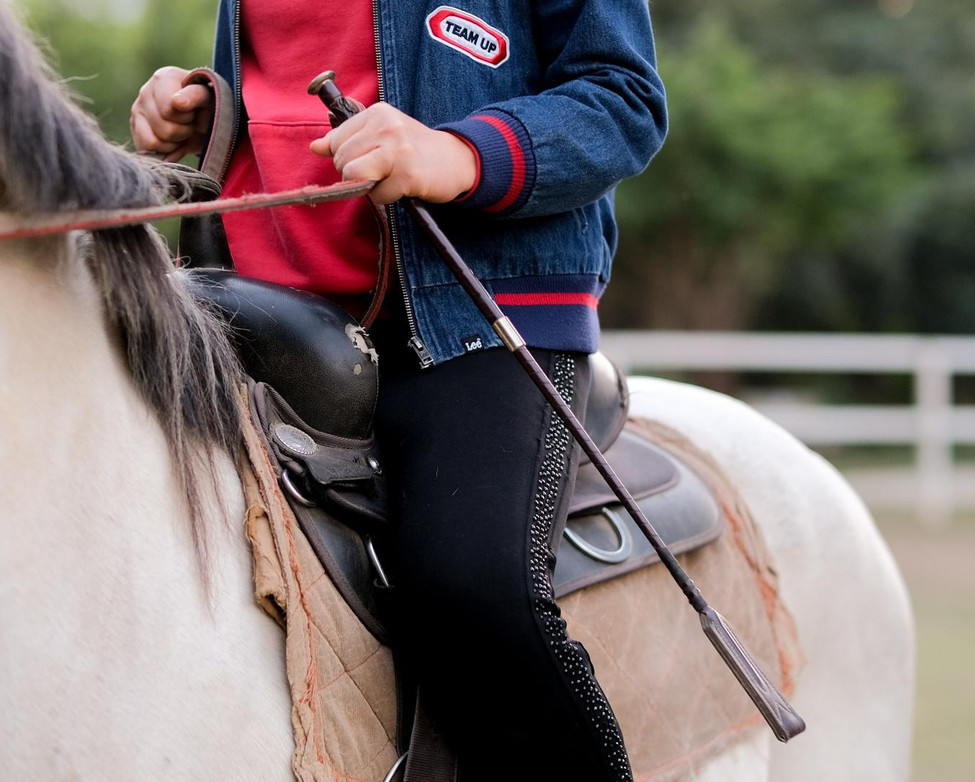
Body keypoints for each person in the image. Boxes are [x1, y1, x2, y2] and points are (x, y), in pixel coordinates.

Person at [132, 0, 666, 776]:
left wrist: (459, 152)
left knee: (472, 593)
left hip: (474, 315)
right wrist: (205, 114)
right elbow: (287, 84)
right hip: (255, 307)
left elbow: (625, 99)